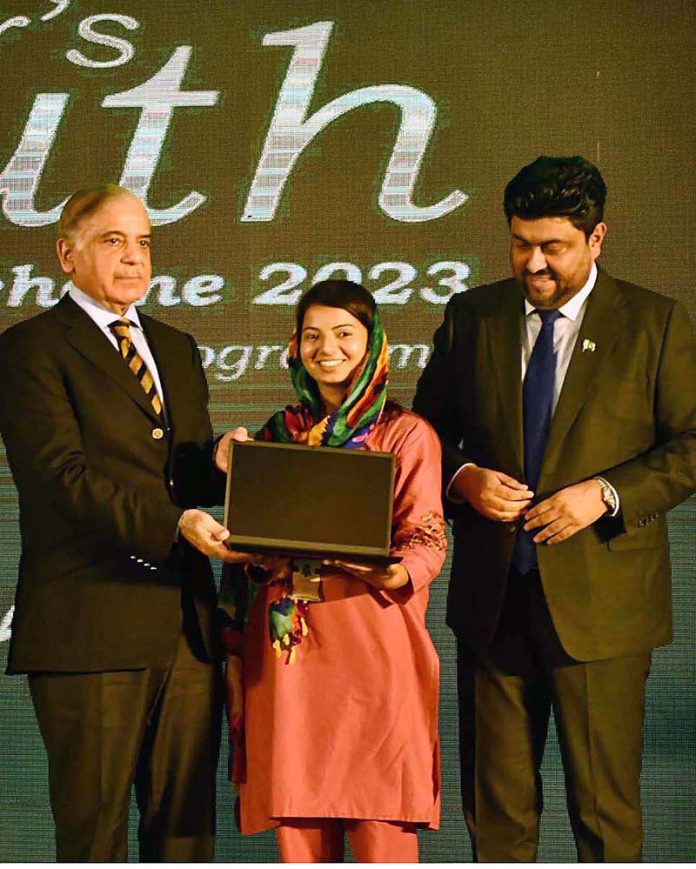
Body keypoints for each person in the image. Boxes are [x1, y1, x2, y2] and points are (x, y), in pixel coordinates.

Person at [413, 156, 696, 861]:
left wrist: (604, 494)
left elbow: (691, 444)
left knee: (604, 814)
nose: (532, 263)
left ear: (596, 238)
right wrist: (464, 479)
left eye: (553, 247)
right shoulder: (472, 316)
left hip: (604, 608)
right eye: (519, 243)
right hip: (493, 605)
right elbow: (420, 437)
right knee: (497, 817)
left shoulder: (654, 323)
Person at [0, 184, 248, 862]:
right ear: (66, 254)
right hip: (89, 627)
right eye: (114, 241)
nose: (134, 258)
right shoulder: (28, 350)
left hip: (185, 630)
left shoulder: (175, 344)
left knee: (186, 835)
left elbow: (183, 475)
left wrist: (224, 468)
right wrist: (177, 524)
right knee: (94, 836)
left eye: (143, 242)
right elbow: (61, 480)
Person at [218, 279, 447, 863]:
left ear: (372, 345)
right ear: (295, 346)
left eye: (345, 334)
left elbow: (426, 535)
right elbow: (249, 553)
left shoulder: (407, 433)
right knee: (299, 829)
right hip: (290, 659)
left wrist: (397, 571)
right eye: (313, 335)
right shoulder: (273, 437)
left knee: (382, 829)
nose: (328, 348)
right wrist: (235, 494)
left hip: (374, 646)